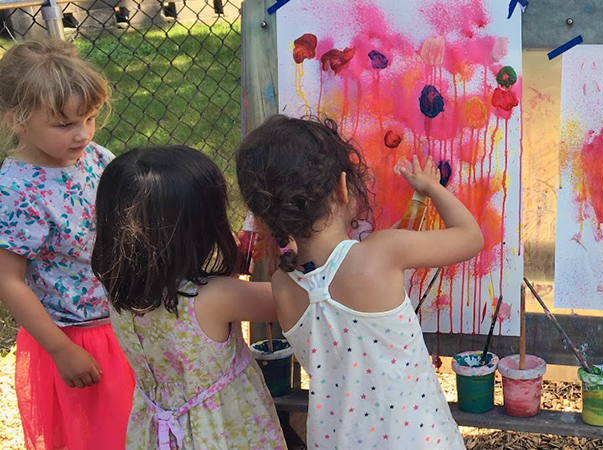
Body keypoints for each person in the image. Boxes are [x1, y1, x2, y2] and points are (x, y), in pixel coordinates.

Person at [236, 115, 484, 449]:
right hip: (416, 439)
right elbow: (470, 238)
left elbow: (322, 277)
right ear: (342, 187)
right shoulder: (382, 252)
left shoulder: (284, 285)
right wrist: (431, 188)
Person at [91, 145, 287, 450]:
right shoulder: (217, 297)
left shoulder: (119, 286)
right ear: (201, 227)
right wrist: (289, 248)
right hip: (223, 429)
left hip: (157, 430)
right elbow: (289, 302)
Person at [0, 38, 134, 450]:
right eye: (65, 125)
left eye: (90, 118)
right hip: (77, 339)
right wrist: (61, 350)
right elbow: (9, 281)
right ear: (16, 121)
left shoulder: (95, 157)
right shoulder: (17, 191)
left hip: (124, 321)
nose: (83, 134)